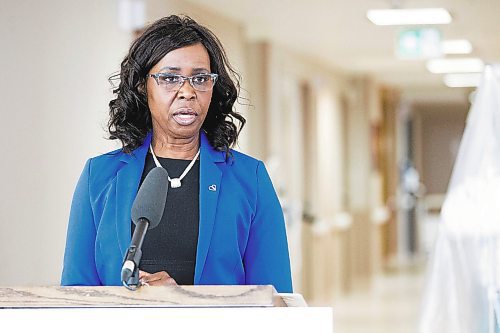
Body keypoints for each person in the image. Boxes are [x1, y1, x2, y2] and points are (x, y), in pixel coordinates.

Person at [61, 15, 293, 293]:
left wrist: (182, 302)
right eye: (170, 78)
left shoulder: (249, 178)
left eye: (200, 78)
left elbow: (275, 297)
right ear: (141, 86)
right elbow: (75, 294)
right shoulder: (98, 177)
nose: (187, 91)